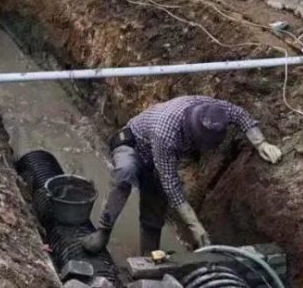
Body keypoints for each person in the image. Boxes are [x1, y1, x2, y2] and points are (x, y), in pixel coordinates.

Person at [82, 95, 283, 256]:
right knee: (125, 173)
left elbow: (239, 114)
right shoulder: (167, 133)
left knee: (155, 204)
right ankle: (103, 230)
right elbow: (172, 185)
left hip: (159, 160)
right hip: (133, 145)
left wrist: (261, 143)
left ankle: (149, 255)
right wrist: (194, 226)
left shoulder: (212, 110)